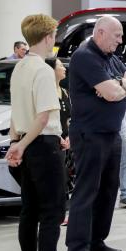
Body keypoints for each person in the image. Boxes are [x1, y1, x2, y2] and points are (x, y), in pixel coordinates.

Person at [6, 14, 84, 251]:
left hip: (26, 144)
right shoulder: (42, 70)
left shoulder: (20, 68)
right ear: (49, 37)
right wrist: (23, 146)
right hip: (43, 146)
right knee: (52, 212)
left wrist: (16, 144)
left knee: (29, 212)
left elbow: (17, 115)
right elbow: (43, 117)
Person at [66, 16, 126, 251]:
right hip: (90, 134)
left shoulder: (110, 57)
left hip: (111, 133)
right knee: (87, 190)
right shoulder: (85, 56)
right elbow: (111, 94)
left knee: (109, 191)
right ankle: (77, 249)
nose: (120, 42)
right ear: (100, 33)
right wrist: (119, 87)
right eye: (117, 36)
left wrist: (118, 83)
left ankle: (96, 240)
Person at [44, 57, 72, 225]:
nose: (64, 69)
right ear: (51, 70)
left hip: (66, 140)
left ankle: (62, 212)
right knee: (56, 178)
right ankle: (54, 213)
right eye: (61, 66)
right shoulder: (47, 92)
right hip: (52, 139)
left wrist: (69, 135)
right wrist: (59, 137)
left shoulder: (65, 91)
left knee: (66, 178)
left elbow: (69, 117)